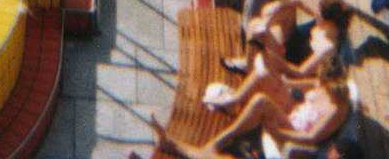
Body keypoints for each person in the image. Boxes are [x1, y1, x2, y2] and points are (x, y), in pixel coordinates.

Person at [149, 56, 353, 158]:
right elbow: (293, 83)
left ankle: (221, 140)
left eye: (321, 81)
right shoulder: (322, 85)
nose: (317, 83)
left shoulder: (336, 109)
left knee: (261, 101)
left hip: (294, 132)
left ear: (332, 83)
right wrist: (277, 77)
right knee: (263, 74)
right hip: (293, 112)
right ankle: (234, 101)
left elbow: (311, 138)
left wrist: (278, 131)